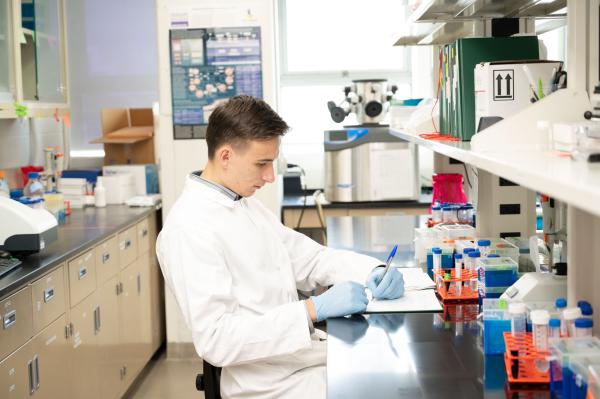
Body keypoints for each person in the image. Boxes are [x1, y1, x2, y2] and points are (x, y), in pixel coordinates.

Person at [156, 95, 405, 399]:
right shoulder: (189, 228)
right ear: (225, 156)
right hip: (267, 387)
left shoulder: (244, 206)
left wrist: (373, 270)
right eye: (262, 164)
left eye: (272, 163)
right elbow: (217, 339)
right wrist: (313, 309)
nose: (270, 177)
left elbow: (311, 259)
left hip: (300, 362)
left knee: (394, 375)